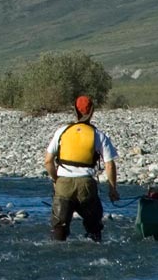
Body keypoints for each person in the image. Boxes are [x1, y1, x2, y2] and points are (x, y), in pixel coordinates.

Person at [43, 94, 120, 242]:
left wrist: (56, 180)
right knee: (94, 228)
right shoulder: (98, 135)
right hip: (87, 186)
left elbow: (48, 161)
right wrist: (112, 189)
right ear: (91, 112)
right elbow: (109, 164)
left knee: (59, 229)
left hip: (63, 185)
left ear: (75, 112)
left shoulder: (61, 132)